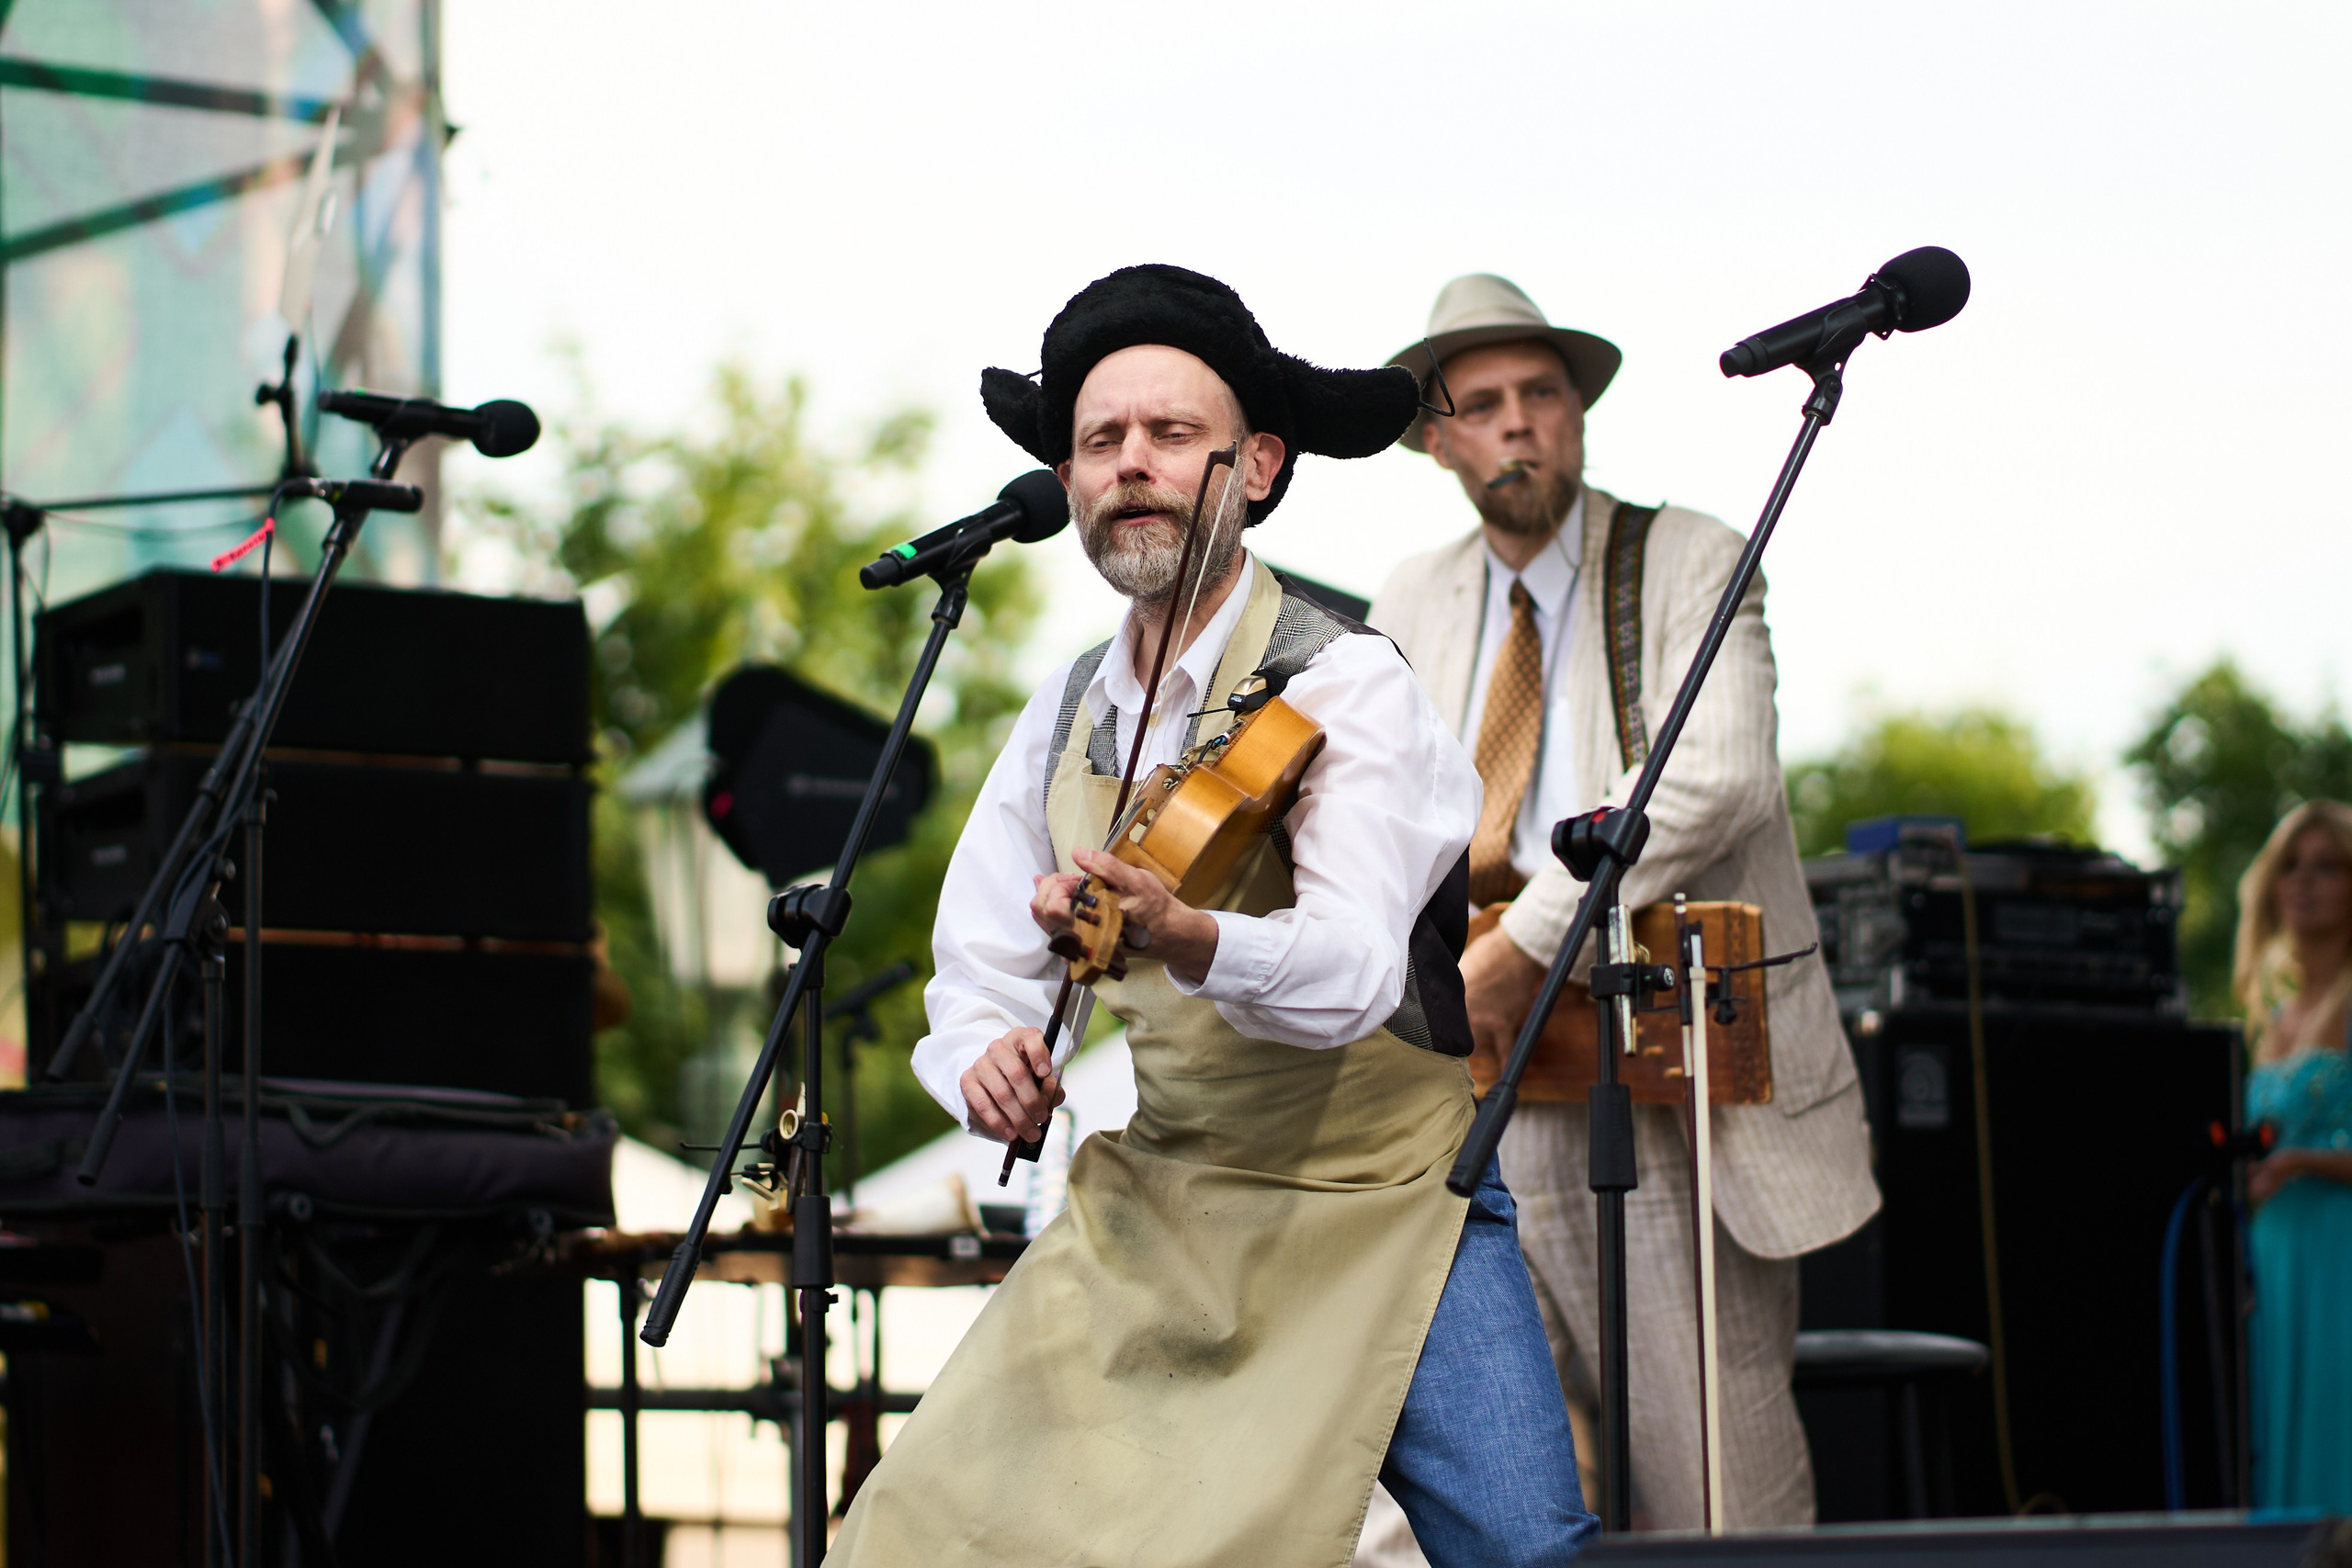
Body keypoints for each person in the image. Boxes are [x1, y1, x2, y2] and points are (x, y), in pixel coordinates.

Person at [829, 265, 1597, 1568]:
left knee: (1524, 1551)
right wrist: (985, 1053)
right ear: (1069, 483)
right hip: (1173, 1194)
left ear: (1260, 465)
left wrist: (1186, 933)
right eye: (1100, 440)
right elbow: (977, 964)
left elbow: (1357, 966)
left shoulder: (1347, 679)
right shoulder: (1065, 713)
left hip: (1387, 1194)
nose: (1132, 464)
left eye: (1172, 434)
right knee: (927, 1529)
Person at [1358, 274, 1880, 1538]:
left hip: (1671, 1087)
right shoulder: (1409, 598)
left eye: (1543, 393)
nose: (1520, 423)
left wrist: (1522, 942)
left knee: (1716, 1493)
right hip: (1477, 1093)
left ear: (1580, 413)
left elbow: (1721, 778)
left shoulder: (1689, 552)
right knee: (1492, 1499)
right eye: (1482, 404)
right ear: (1438, 440)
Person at [2234, 800, 2352, 1512]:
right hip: (2270, 1266)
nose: (2304, 883)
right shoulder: (2272, 1019)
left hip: (2338, 1259)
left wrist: (2304, 1162)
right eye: (2291, 866)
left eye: (2329, 867)